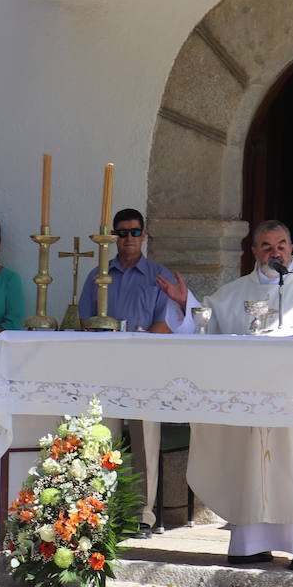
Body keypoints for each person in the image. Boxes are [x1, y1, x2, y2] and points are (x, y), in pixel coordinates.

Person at [160, 219, 293, 571]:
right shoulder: (234, 292)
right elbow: (206, 321)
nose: (275, 252)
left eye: (281, 244)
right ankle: (251, 544)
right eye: (267, 246)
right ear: (254, 251)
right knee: (251, 468)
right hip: (254, 402)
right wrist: (185, 301)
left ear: (292, 247)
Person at [77, 208, 184, 537]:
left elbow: (166, 324)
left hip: (144, 368)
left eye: (134, 232)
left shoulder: (157, 275)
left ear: (144, 235)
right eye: (122, 233)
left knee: (144, 441)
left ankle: (142, 515)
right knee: (102, 437)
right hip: (106, 368)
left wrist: (136, 348)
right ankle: (101, 509)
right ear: (113, 236)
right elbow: (86, 320)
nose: (127, 239)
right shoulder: (98, 275)